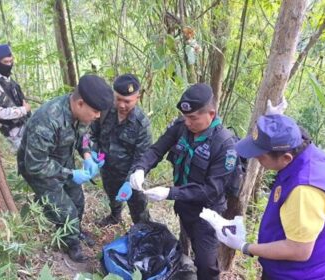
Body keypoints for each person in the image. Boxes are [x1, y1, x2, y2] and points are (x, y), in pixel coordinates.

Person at [201, 114, 325, 280]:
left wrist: (245, 247)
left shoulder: (304, 190)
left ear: (286, 158)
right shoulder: (309, 153)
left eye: (260, 156)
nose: (256, 159)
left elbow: (299, 250)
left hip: (298, 275)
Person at [129, 83, 239, 280]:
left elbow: (211, 191)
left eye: (193, 118)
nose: (187, 122)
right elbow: (157, 149)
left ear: (211, 114)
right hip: (183, 206)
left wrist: (169, 193)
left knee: (206, 265)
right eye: (185, 117)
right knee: (183, 247)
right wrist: (140, 169)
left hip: (207, 214)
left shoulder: (224, 145)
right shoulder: (181, 128)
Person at [17, 75, 114, 262]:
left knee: (78, 201)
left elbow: (82, 136)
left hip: (62, 161)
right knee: (66, 211)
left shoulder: (80, 115)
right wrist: (70, 174)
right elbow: (35, 164)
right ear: (80, 103)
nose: (98, 116)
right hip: (38, 169)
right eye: (95, 111)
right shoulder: (47, 120)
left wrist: (87, 155)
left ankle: (74, 231)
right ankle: (70, 244)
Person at [90, 74, 152, 226]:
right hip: (107, 168)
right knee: (112, 196)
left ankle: (142, 231)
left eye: (127, 101)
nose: (122, 105)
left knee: (138, 208)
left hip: (130, 174)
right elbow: (91, 133)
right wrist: (93, 152)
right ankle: (115, 216)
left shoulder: (141, 124)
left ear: (137, 98)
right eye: (118, 99)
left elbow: (142, 159)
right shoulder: (104, 110)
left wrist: (129, 182)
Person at [0, 44, 31, 151]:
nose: (9, 64)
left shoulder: (5, 77)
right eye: (5, 62)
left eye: (10, 61)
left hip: (23, 126)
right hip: (11, 135)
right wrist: (23, 110)